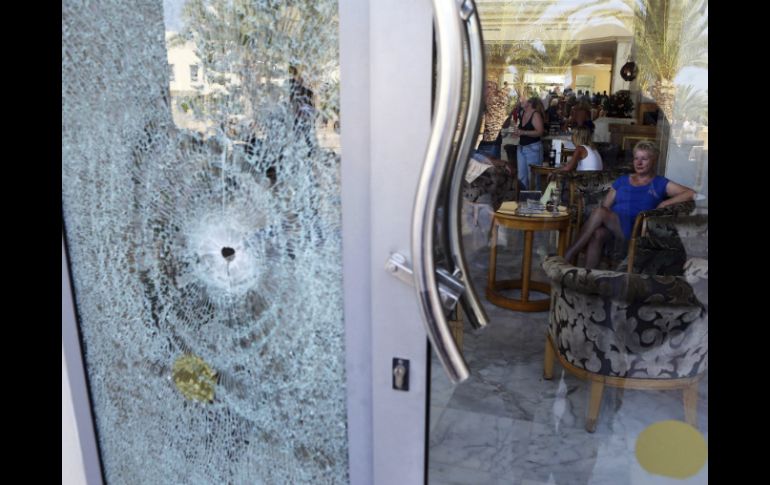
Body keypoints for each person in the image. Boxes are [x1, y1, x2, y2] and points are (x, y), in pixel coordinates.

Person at [563, 141, 695, 269]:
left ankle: (569, 254)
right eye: (636, 158)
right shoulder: (623, 180)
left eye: (644, 159)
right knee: (598, 233)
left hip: (635, 227)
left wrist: (666, 202)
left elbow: (691, 193)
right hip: (615, 225)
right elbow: (606, 205)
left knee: (599, 212)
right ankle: (587, 277)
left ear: (653, 160)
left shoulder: (660, 183)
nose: (638, 162)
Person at [512, 96, 545, 189]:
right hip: (522, 148)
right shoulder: (522, 113)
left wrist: (523, 132)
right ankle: (524, 200)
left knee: (533, 178)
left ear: (530, 104)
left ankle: (534, 201)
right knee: (522, 177)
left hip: (533, 148)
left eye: (524, 100)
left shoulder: (535, 114)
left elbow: (540, 132)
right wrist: (518, 133)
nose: (521, 101)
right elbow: (523, 130)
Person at [477, 80, 509, 158]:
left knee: (489, 165)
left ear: (492, 89)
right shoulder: (498, 98)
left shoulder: (493, 98)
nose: (483, 90)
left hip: (490, 141)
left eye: (486, 87)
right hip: (490, 140)